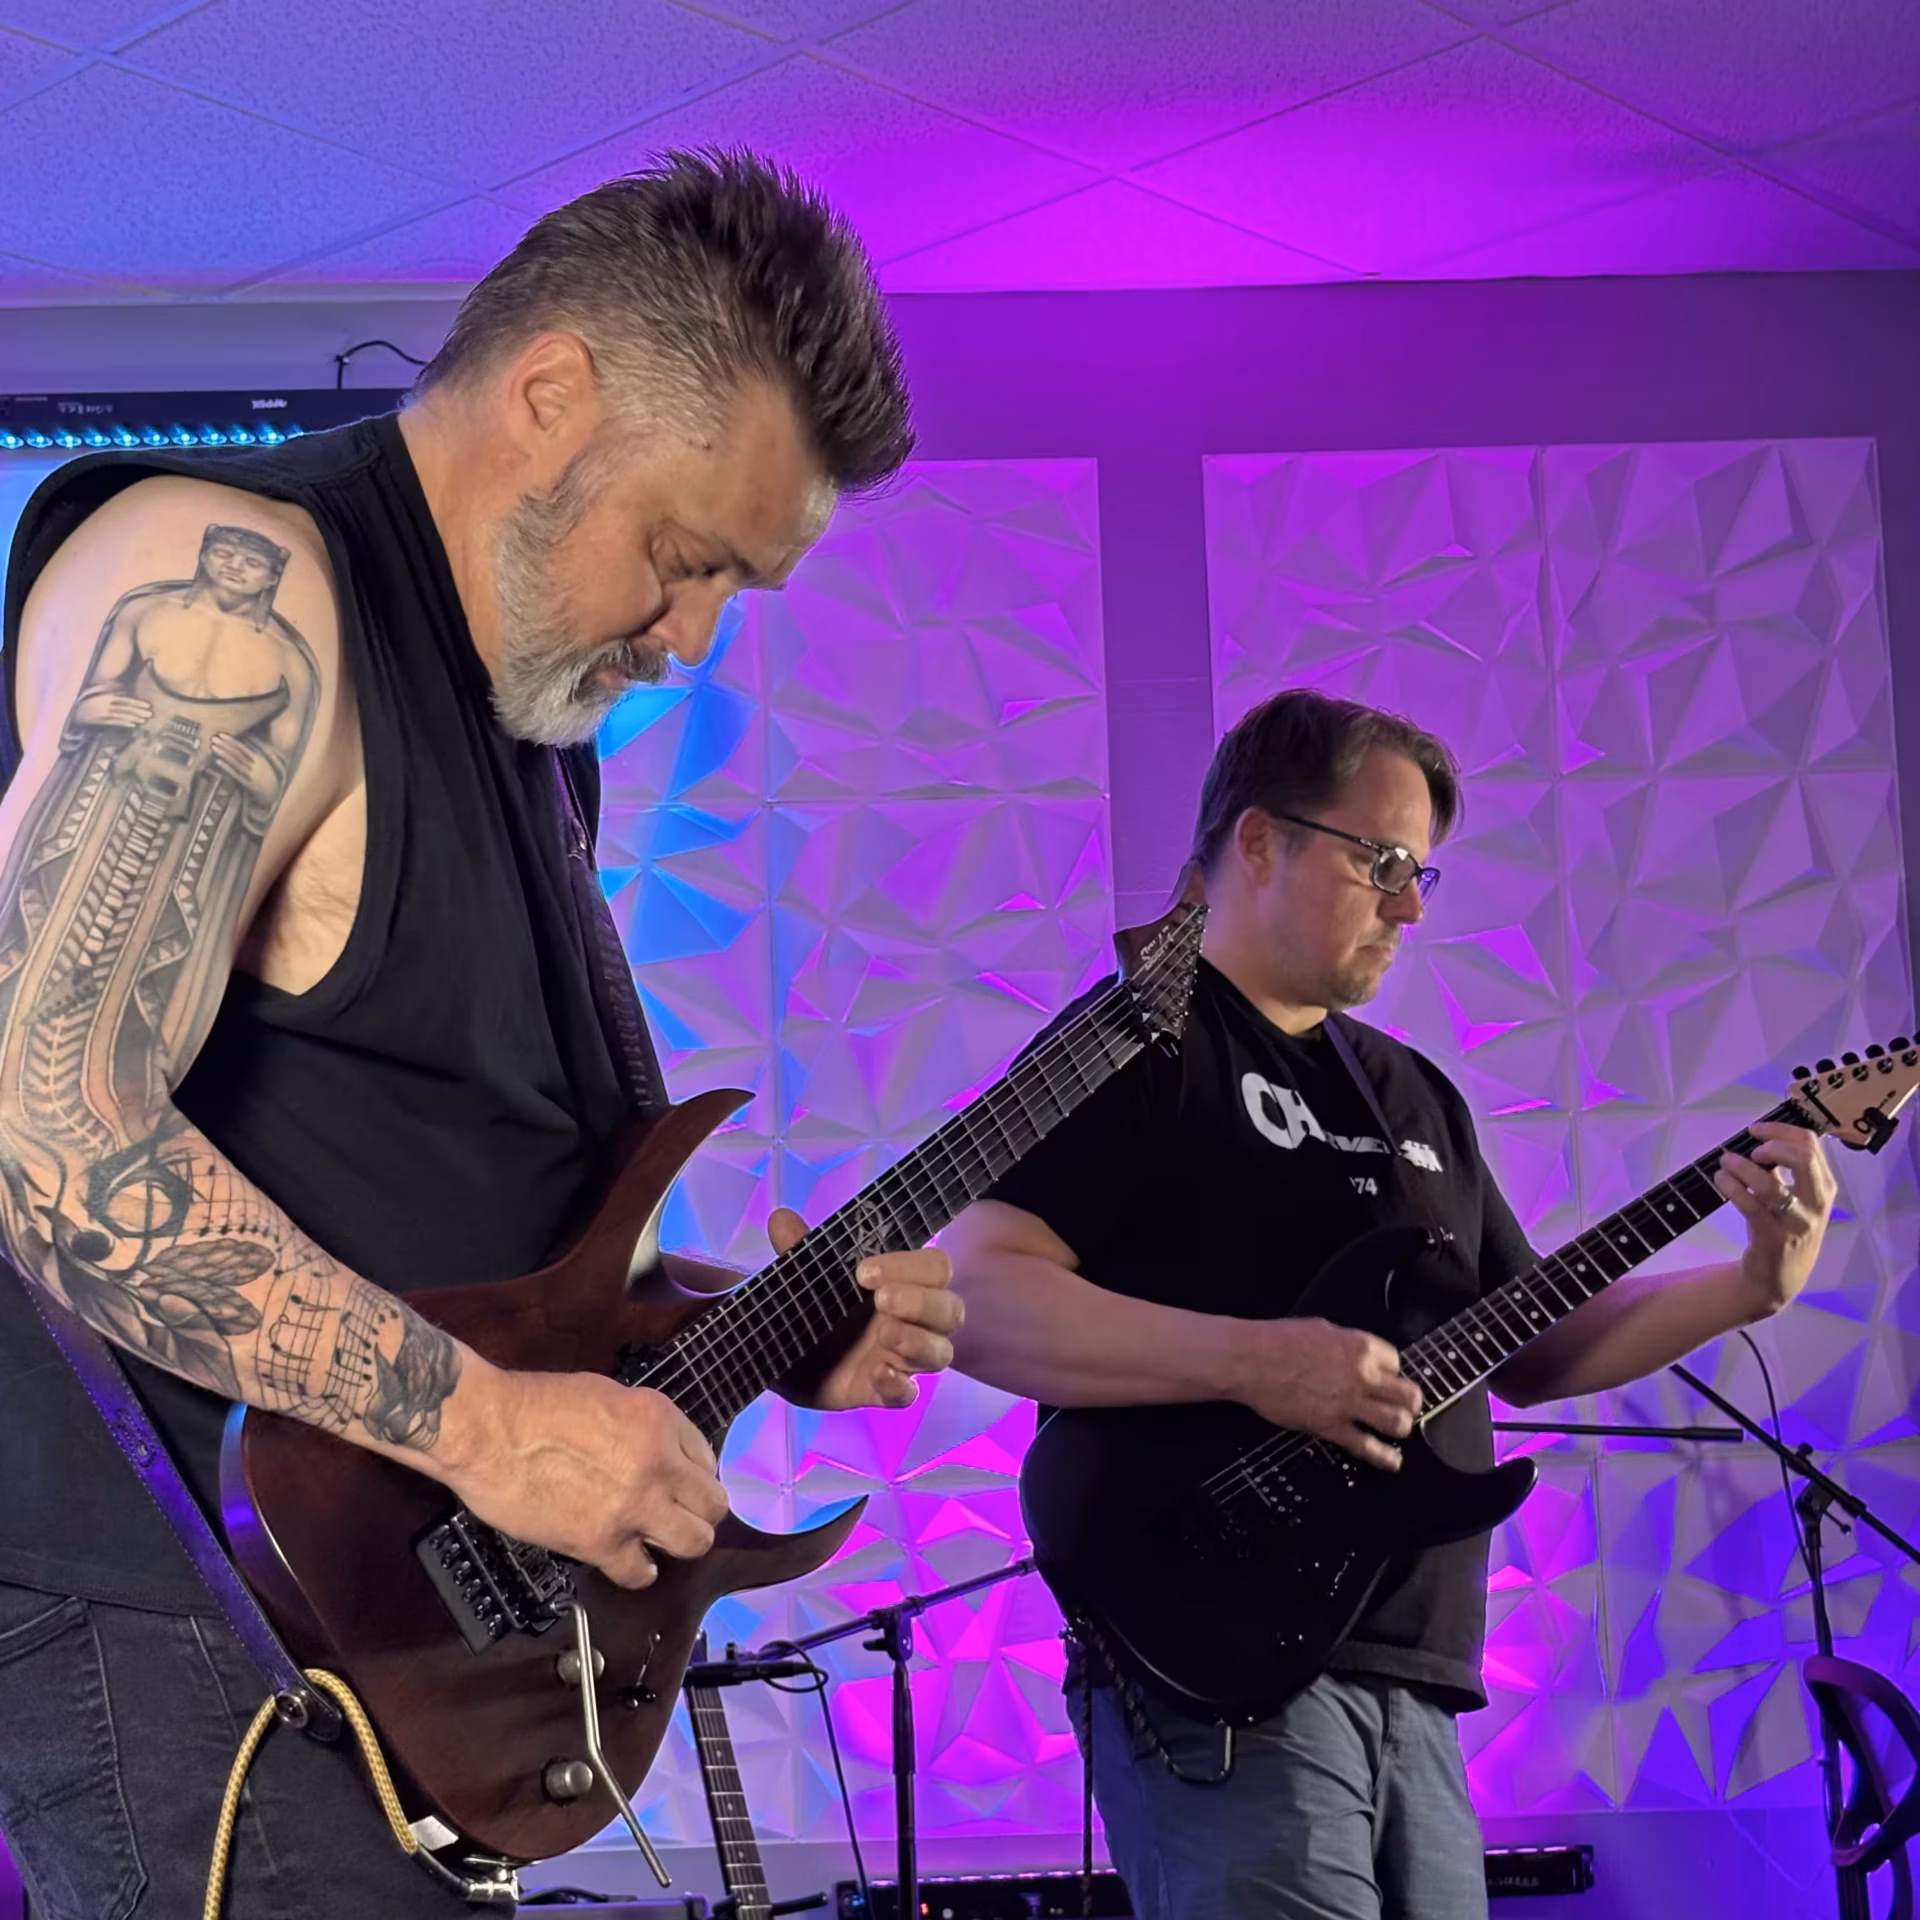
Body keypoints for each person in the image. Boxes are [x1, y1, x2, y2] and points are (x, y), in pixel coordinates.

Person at [0, 151, 964, 1920]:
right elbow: (43, 1135)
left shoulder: (533, 726)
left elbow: (445, 1204)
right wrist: (490, 1432)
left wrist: (754, 1338)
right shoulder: (234, 599)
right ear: (548, 396)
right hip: (194, 1620)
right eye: (684, 560)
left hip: (387, 1652)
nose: (692, 638)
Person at [941, 688, 1838, 1920]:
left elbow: (1533, 1344)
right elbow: (979, 1296)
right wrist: (1258, 1363)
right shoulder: (1135, 1043)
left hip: (1410, 1671)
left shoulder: (1413, 1095)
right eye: (1386, 863)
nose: (1413, 906)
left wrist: (1749, 1283)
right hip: (1217, 1670)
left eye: (1425, 874)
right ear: (1259, 842)